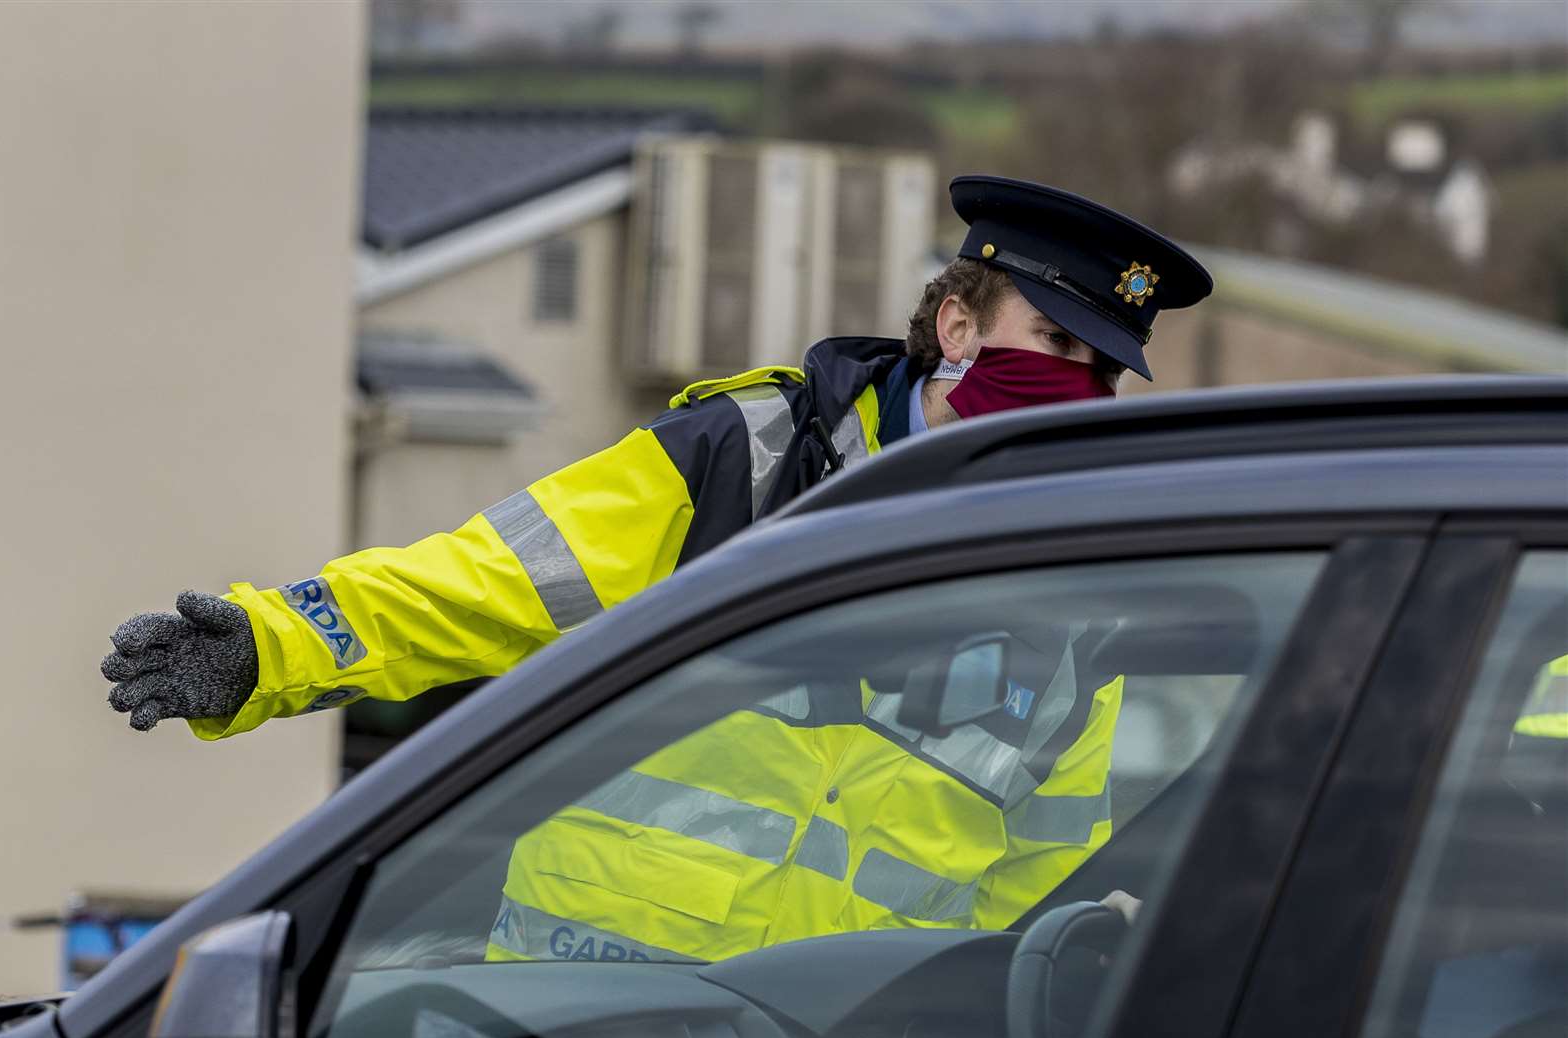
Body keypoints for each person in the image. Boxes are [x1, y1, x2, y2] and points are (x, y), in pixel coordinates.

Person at [102, 176, 1212, 961]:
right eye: (1056, 342)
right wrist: (274, 645)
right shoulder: (750, 453)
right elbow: (487, 581)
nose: (1078, 385)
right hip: (588, 1004)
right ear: (958, 325)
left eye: (1101, 369)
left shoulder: (1070, 583)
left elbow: (1034, 886)